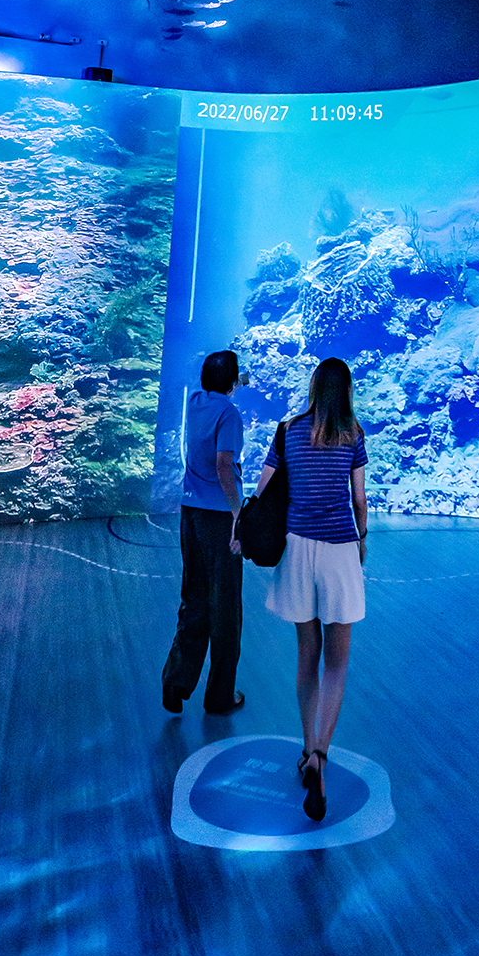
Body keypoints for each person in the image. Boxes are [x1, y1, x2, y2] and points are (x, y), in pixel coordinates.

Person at [254, 356, 367, 822]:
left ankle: (306, 748)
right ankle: (322, 752)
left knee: (307, 655)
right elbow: (358, 498)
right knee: (337, 663)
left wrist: (247, 528)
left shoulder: (287, 431)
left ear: (314, 387)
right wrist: (363, 539)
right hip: (340, 550)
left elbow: (264, 488)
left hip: (298, 549)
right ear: (347, 391)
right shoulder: (353, 434)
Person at [161, 349, 246, 716]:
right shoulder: (230, 414)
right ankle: (220, 695)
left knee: (193, 596)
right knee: (225, 607)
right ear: (232, 381)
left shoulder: (196, 403)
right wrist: (238, 513)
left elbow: (220, 384)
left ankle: (175, 681)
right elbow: (225, 466)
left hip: (190, 511)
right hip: (219, 517)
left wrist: (235, 379)